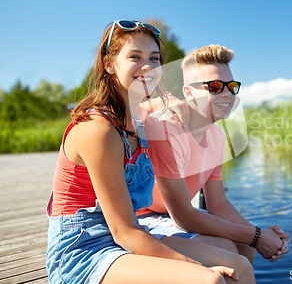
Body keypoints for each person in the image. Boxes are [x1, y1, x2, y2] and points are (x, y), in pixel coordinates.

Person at [46, 21, 255, 284]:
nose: (148, 66)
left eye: (155, 59)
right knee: (209, 280)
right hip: (84, 249)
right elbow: (124, 231)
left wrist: (173, 102)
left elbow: (161, 108)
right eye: (135, 57)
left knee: (240, 265)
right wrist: (195, 267)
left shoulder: (142, 124)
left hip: (130, 233)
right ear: (109, 64)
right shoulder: (98, 130)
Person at [137, 45, 291, 264]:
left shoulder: (217, 136)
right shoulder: (169, 128)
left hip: (173, 215)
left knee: (245, 248)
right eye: (216, 86)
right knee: (227, 250)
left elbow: (217, 203)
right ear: (189, 93)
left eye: (232, 86)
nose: (226, 93)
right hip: (143, 216)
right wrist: (257, 237)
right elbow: (183, 217)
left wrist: (260, 234)